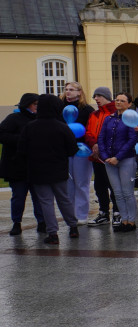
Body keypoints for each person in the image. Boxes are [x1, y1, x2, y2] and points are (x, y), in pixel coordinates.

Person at [17, 94, 79, 244]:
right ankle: (73, 227)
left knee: (46, 202)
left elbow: (22, 150)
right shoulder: (62, 127)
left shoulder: (30, 127)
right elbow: (72, 149)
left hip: (38, 170)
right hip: (59, 170)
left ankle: (52, 233)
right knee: (64, 199)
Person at [1, 93, 46, 235]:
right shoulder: (13, 118)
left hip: (36, 165)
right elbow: (2, 135)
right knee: (19, 196)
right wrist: (22, 139)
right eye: (35, 104)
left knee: (39, 196)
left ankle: (42, 222)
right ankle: (16, 223)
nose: (37, 107)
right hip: (17, 166)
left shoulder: (41, 119)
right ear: (27, 104)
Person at [98, 92, 138, 232]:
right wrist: (105, 156)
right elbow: (101, 138)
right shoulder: (109, 119)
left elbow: (132, 140)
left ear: (129, 104)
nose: (118, 102)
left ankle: (131, 221)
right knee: (117, 192)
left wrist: (118, 157)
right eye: (117, 100)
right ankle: (124, 219)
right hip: (109, 160)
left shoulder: (131, 118)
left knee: (127, 192)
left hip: (126, 159)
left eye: (122, 100)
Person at [59, 82, 94, 225]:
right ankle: (71, 214)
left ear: (79, 92)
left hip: (82, 150)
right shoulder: (60, 107)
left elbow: (90, 130)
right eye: (66, 90)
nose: (68, 92)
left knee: (81, 183)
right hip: (64, 150)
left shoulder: (86, 109)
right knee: (68, 183)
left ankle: (81, 214)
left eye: (71, 90)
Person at [85, 87, 119, 227]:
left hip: (110, 157)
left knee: (113, 185)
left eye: (99, 96)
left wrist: (101, 145)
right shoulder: (94, 114)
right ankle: (103, 213)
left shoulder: (115, 113)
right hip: (96, 157)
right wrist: (93, 144)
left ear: (107, 97)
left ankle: (117, 213)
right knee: (99, 185)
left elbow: (116, 134)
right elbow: (88, 132)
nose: (96, 99)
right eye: (95, 96)